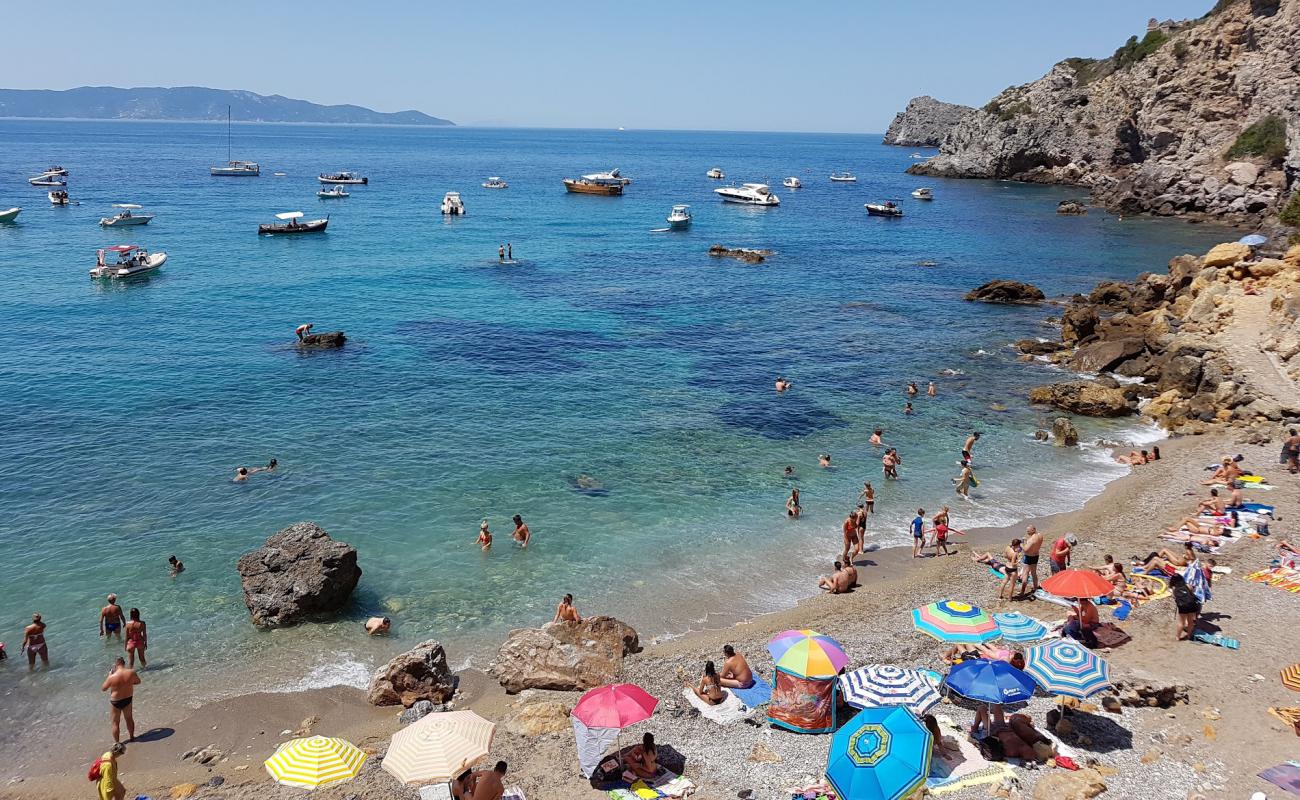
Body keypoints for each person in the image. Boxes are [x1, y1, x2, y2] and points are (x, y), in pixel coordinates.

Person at [102, 657, 140, 743]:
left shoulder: (112, 677)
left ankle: (117, 743)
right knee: (129, 719)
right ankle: (132, 737)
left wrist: (109, 676)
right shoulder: (131, 672)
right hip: (128, 699)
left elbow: (103, 688)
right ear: (124, 663)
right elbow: (138, 681)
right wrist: (128, 683)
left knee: (115, 723)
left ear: (116, 665)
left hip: (116, 701)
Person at [1169, 573, 1202, 641]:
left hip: (1183, 606)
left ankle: (1177, 637)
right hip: (1192, 604)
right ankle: (1189, 635)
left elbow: (1175, 597)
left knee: (1181, 622)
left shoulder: (1174, 588)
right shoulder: (1187, 585)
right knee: (1190, 622)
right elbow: (1193, 592)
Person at [1018, 526, 1044, 597]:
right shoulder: (1040, 535)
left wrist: (1021, 544)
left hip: (1029, 557)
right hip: (1036, 555)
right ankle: (1036, 589)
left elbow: (1026, 549)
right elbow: (1034, 545)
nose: (1027, 532)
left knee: (1025, 573)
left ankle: (1022, 591)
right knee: (1033, 573)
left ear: (1033, 530)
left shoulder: (1032, 539)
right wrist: (1027, 541)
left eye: (1028, 531)